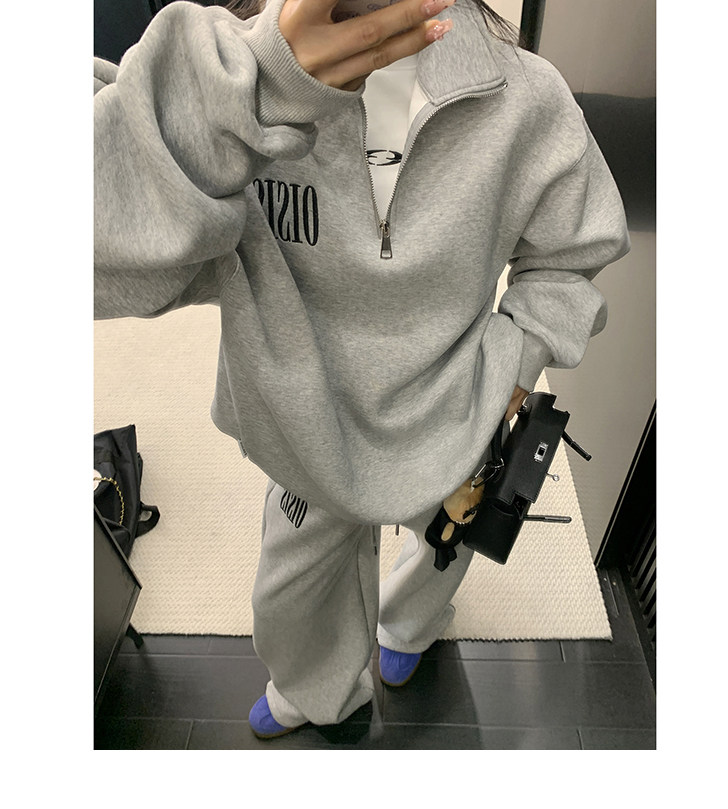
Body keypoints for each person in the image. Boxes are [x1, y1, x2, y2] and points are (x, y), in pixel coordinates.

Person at [94, 0, 630, 739]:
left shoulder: (530, 99)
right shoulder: (223, 88)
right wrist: (251, 87)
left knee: (444, 545)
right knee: (292, 591)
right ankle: (317, 690)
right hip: (306, 430)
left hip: (458, 415)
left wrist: (515, 359)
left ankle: (409, 628)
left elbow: (574, 253)